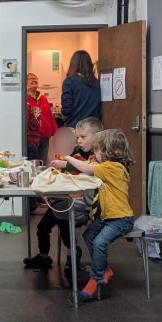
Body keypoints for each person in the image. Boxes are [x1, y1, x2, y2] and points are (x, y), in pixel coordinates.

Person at [51, 128, 134, 301]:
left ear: (107, 151)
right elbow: (89, 167)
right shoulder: (109, 166)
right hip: (107, 218)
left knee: (99, 242)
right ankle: (105, 269)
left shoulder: (112, 167)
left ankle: (95, 279)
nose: (95, 154)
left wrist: (66, 157)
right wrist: (65, 165)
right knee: (89, 235)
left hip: (120, 220)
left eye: (97, 150)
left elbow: (87, 168)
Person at [23, 117, 103, 276]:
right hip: (65, 200)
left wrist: (66, 163)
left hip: (84, 204)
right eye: (77, 137)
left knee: (62, 218)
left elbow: (88, 169)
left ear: (97, 136)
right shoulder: (75, 152)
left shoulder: (98, 156)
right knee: (42, 227)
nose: (79, 141)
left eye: (83, 137)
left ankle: (73, 254)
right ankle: (44, 257)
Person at [61, 50, 101, 129]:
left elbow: (66, 110)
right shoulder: (97, 83)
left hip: (75, 128)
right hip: (93, 128)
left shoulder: (69, 82)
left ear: (73, 64)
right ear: (89, 64)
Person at [25, 72, 57, 166]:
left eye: (36, 78)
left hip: (45, 137)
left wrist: (55, 130)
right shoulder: (25, 98)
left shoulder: (43, 98)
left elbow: (50, 115)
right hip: (32, 139)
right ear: (25, 82)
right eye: (31, 78)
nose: (34, 80)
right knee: (32, 163)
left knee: (42, 162)